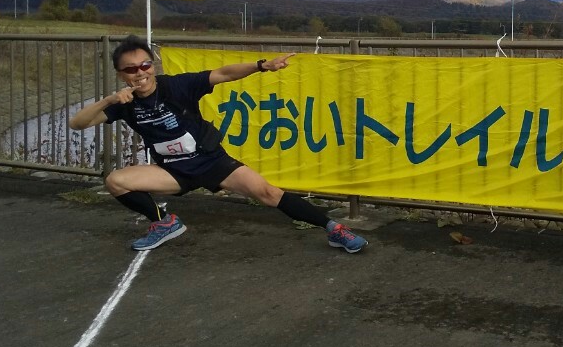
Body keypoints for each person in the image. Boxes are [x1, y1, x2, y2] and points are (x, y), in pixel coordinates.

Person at [68, 35, 367, 253]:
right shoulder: (124, 103)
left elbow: (223, 74)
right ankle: (164, 222)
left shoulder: (177, 86)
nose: (140, 73)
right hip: (173, 172)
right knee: (116, 181)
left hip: (212, 162)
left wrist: (264, 65)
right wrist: (109, 100)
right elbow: (77, 124)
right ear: (121, 74)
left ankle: (334, 229)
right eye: (131, 69)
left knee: (268, 193)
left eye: (145, 65)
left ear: (153, 66)